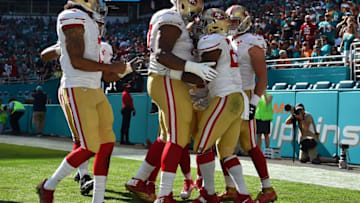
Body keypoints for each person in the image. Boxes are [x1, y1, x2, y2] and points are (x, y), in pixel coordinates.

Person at [36, 1, 137, 202]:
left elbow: (107, 76)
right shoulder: (71, 16)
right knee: (89, 145)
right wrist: (118, 66)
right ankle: (48, 186)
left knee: (107, 143)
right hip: (76, 86)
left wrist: (127, 69)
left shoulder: (96, 36)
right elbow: (77, 61)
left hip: (94, 89)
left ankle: (97, 199)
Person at [190, 8, 252, 202]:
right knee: (226, 152)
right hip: (237, 98)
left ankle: (208, 194)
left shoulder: (212, 41)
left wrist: (187, 78)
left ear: (213, 23)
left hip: (225, 97)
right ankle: (243, 195)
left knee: (202, 145)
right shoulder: (226, 42)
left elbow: (208, 70)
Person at [221, 5, 277, 202]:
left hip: (244, 95)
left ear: (244, 22)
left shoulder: (252, 43)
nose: (231, 25)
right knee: (222, 143)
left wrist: (253, 103)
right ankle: (230, 187)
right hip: (227, 95)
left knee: (250, 145)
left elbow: (262, 78)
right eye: (230, 22)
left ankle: (267, 188)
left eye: (235, 21)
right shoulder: (226, 40)